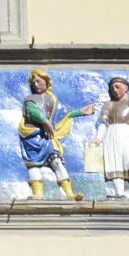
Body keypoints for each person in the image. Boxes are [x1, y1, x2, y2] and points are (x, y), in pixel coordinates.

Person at [19, 70, 90, 199]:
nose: (36, 84)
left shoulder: (52, 99)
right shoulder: (30, 98)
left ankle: (69, 193)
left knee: (56, 161)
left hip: (48, 135)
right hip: (32, 135)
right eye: (33, 82)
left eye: (38, 81)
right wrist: (44, 121)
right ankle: (38, 193)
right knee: (33, 165)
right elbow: (31, 111)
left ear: (46, 82)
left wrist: (80, 112)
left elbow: (62, 116)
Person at [95, 75, 129, 198]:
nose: (114, 89)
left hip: (127, 132)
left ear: (126, 88)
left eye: (117, 86)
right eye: (112, 88)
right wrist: (98, 138)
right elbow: (102, 122)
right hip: (111, 133)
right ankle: (120, 192)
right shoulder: (108, 104)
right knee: (114, 161)